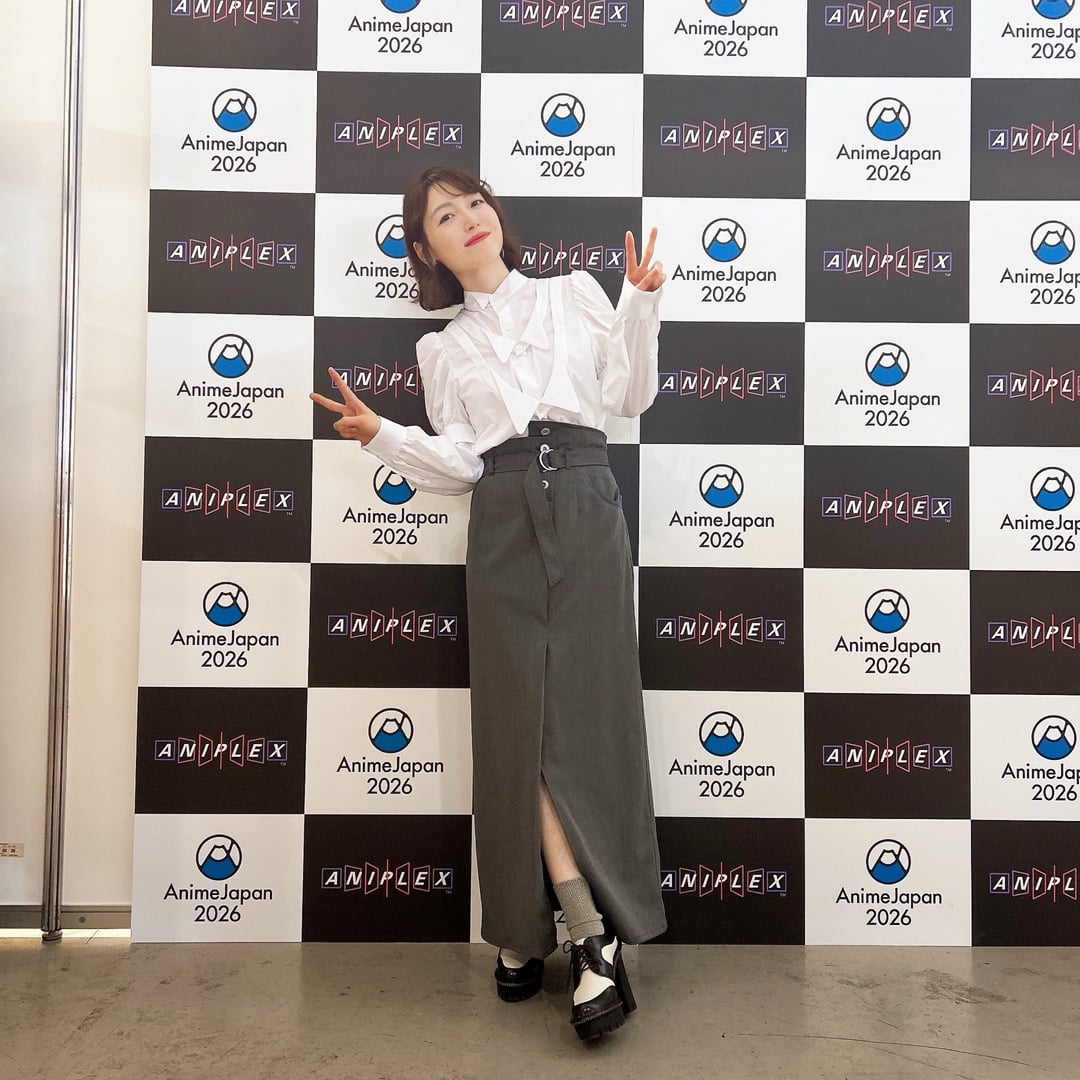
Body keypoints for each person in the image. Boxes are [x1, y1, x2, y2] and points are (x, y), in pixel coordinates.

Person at [310, 165, 667, 1042]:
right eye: (444, 215)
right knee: (515, 726)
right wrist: (384, 436)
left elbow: (628, 397)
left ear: (496, 216)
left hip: (586, 499)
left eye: (475, 203)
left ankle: (543, 932)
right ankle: (579, 932)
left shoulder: (576, 292)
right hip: (503, 516)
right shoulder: (440, 349)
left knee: (590, 715)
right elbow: (466, 463)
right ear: (425, 248)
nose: (468, 218)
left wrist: (639, 302)